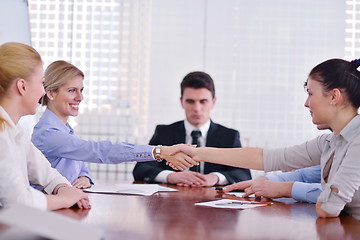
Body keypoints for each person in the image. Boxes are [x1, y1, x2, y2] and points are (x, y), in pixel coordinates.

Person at [171, 58, 360, 219]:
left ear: (334, 96)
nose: (306, 103)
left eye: (311, 93)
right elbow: (266, 158)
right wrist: (196, 152)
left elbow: (328, 208)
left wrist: (287, 188)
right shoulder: (330, 142)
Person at [31, 60, 195, 189]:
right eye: (72, 90)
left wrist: (84, 177)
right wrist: (159, 151)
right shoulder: (49, 134)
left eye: (81, 90)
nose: (80, 97)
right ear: (51, 93)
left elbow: (81, 166)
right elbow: (99, 151)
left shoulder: (65, 130)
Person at [0, 42, 90, 210]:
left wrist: (64, 189)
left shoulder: (14, 130)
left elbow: (47, 174)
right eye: (42, 83)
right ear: (22, 86)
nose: (43, 92)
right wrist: (65, 199)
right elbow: (19, 202)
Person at [133, 71, 251, 187]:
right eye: (190, 101)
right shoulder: (164, 132)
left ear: (213, 102)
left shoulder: (229, 136)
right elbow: (141, 168)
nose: (197, 108)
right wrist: (170, 176)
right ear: (181, 102)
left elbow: (243, 173)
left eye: (203, 101)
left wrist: (215, 177)